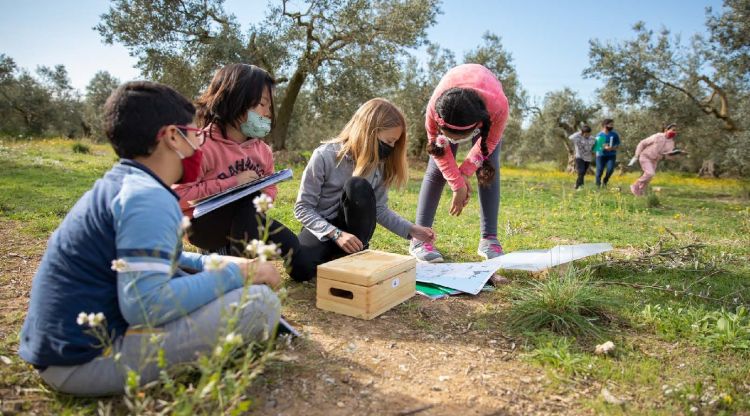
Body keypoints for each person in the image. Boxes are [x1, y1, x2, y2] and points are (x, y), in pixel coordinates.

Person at [18, 81, 281, 396]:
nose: (200, 144)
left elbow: (162, 258)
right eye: (195, 134)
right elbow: (146, 306)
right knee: (259, 304)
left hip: (59, 354)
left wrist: (219, 262)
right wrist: (240, 274)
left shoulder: (123, 184)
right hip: (86, 364)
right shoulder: (149, 198)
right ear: (172, 136)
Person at [173, 64, 310, 282]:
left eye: (270, 106)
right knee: (248, 199)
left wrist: (265, 195)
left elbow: (270, 187)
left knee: (299, 258)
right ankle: (240, 274)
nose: (267, 113)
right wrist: (231, 183)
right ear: (234, 100)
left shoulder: (262, 150)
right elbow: (179, 197)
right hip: (205, 230)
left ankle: (237, 261)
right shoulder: (201, 146)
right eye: (261, 104)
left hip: (249, 222)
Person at [294, 98, 435, 278]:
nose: (391, 148)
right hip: (324, 230)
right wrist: (335, 234)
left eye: (394, 143)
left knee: (357, 186)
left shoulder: (379, 165)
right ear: (368, 132)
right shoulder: (324, 156)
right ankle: (335, 256)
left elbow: (379, 209)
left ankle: (353, 253)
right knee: (299, 267)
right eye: (389, 141)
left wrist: (411, 230)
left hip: (354, 235)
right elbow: (303, 208)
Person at [409, 64, 509, 262]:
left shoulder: (498, 107)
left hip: (485, 110)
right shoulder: (434, 110)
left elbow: (486, 144)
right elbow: (439, 153)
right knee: (436, 170)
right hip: (450, 104)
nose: (454, 142)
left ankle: (490, 238)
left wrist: (464, 175)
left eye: (458, 138)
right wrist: (457, 184)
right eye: (450, 137)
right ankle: (419, 238)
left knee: (488, 168)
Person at [630, 123, 680, 196]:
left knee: (649, 177)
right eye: (673, 130)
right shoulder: (657, 136)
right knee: (650, 173)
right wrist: (637, 154)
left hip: (655, 160)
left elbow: (667, 155)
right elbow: (643, 143)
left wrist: (675, 155)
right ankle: (635, 185)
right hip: (645, 156)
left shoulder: (671, 143)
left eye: (676, 131)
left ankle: (639, 192)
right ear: (666, 130)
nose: (674, 132)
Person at [593, 118, 620, 188]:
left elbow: (617, 145)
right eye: (610, 125)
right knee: (599, 170)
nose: (612, 126)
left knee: (610, 169)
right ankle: (597, 185)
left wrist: (612, 148)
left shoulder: (614, 135)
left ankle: (605, 181)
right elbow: (598, 147)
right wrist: (605, 147)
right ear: (605, 125)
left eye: (612, 125)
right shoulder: (599, 135)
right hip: (600, 155)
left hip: (611, 155)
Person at [569, 125, 596, 189]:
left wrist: (594, 152)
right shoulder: (577, 138)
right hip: (579, 157)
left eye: (589, 134)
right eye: (586, 134)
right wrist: (580, 132)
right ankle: (580, 186)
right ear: (582, 133)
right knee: (581, 171)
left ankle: (577, 185)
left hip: (588, 158)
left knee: (583, 173)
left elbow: (596, 145)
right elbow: (570, 137)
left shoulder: (592, 138)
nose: (588, 135)